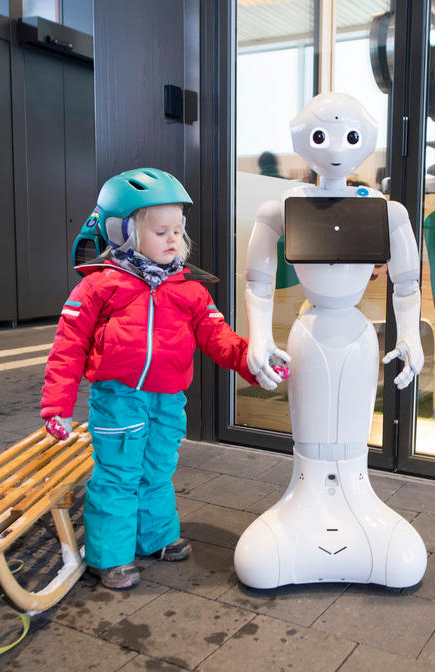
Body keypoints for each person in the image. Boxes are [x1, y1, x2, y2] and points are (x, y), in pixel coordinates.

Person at [40, 168, 284, 590]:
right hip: (119, 399)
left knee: (156, 470)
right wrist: (57, 406)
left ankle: (154, 538)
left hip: (168, 400)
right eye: (160, 231)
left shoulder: (188, 288)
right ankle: (108, 556)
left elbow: (218, 338)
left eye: (177, 230)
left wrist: (253, 359)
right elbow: (68, 347)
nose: (173, 239)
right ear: (123, 232)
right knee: (118, 475)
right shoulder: (100, 286)